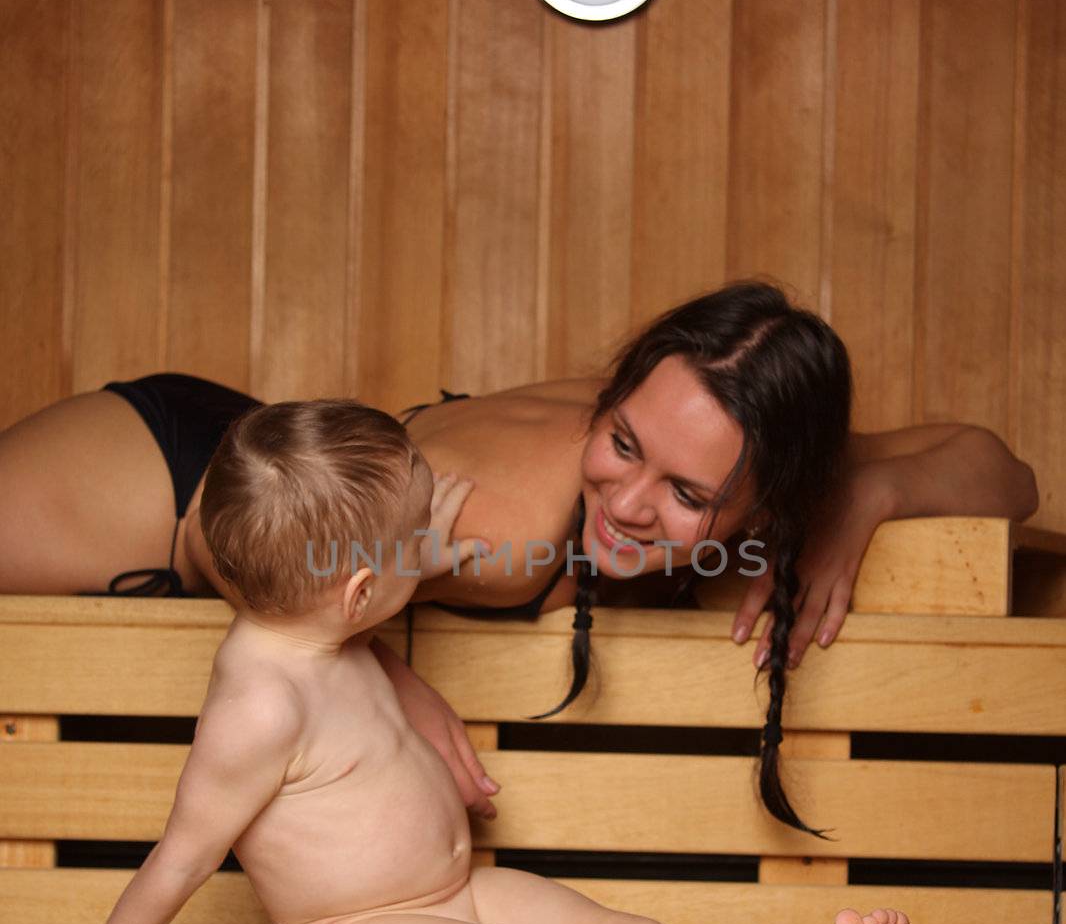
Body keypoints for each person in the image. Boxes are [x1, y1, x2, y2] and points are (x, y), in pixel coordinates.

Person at [0, 398, 921, 924]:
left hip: (453, 894)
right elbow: (182, 856)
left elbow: (372, 573)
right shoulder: (259, 703)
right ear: (363, 589)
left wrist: (410, 543)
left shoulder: (327, 627)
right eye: (415, 551)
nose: (430, 560)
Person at [0, 281, 1038, 833]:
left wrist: (867, 494)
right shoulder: (504, 535)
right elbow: (237, 541)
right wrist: (368, 663)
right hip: (174, 486)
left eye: (685, 494)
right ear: (617, 393)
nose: (627, 504)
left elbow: (1000, 470)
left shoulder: (744, 429)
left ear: (773, 488)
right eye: (621, 443)